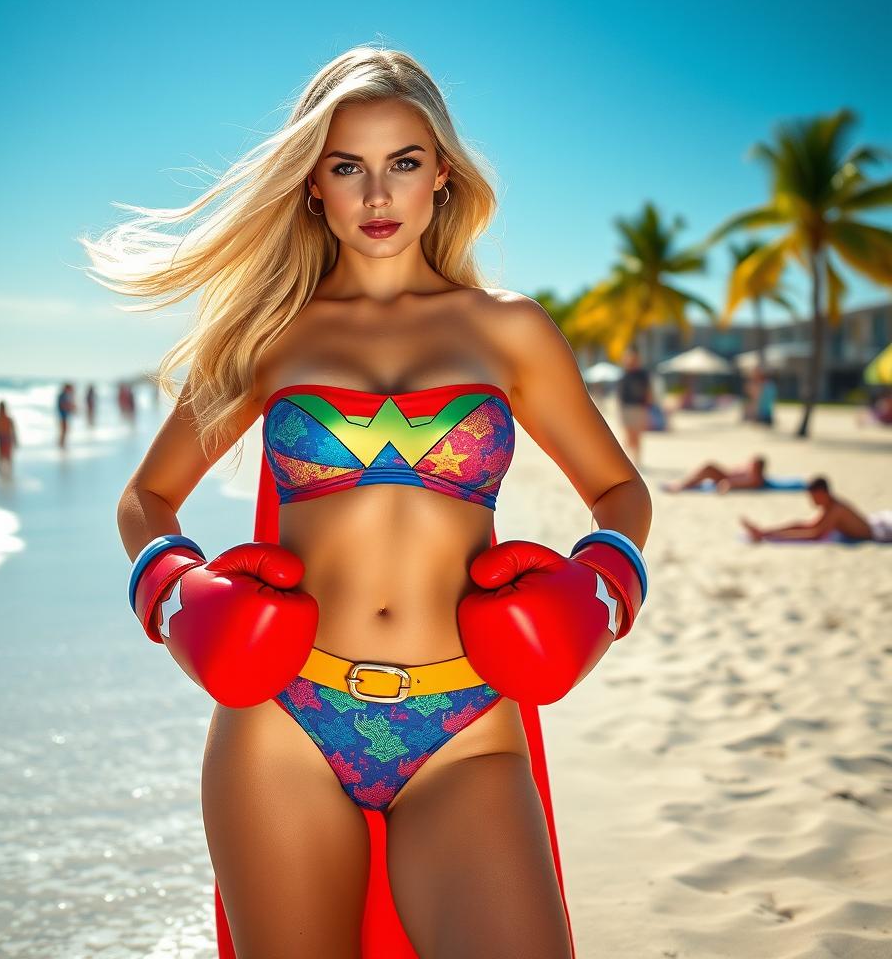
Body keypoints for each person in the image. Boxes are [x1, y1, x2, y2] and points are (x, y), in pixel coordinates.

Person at [88, 47, 652, 959]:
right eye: (348, 167)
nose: (378, 195)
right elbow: (147, 498)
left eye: (404, 162)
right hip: (286, 723)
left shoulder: (510, 331)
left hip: (465, 723)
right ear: (314, 185)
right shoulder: (268, 335)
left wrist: (602, 587)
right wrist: (179, 596)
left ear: (442, 175)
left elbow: (620, 490)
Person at [740, 476, 883, 543]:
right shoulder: (830, 506)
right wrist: (766, 531)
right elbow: (808, 526)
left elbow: (815, 534)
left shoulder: (836, 509)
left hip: (879, 534)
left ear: (822, 493)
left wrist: (771, 537)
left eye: (813, 496)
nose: (812, 501)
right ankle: (762, 530)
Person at [617, 347, 652, 464]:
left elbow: (648, 392)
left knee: (637, 436)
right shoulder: (624, 374)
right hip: (626, 408)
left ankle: (636, 460)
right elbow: (620, 395)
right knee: (628, 435)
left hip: (639, 407)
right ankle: (625, 460)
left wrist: (647, 410)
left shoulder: (643, 374)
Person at [664, 454, 768, 493]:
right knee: (708, 468)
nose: (750, 464)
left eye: (752, 464)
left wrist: (726, 485)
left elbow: (730, 483)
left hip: (724, 477)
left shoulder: (754, 478)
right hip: (725, 476)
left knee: (708, 468)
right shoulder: (753, 474)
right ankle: (684, 484)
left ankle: (681, 485)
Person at [0, 400, 17, 478]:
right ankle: (4, 474)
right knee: (4, 457)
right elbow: (13, 431)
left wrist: (15, 439)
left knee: (4, 457)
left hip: (4, 439)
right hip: (4, 439)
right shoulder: (1, 419)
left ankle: (4, 473)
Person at [56, 382, 75, 450]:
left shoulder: (66, 395)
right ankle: (61, 444)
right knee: (63, 430)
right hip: (62, 415)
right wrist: (70, 407)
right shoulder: (62, 395)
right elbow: (63, 405)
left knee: (65, 430)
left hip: (64, 415)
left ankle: (62, 444)